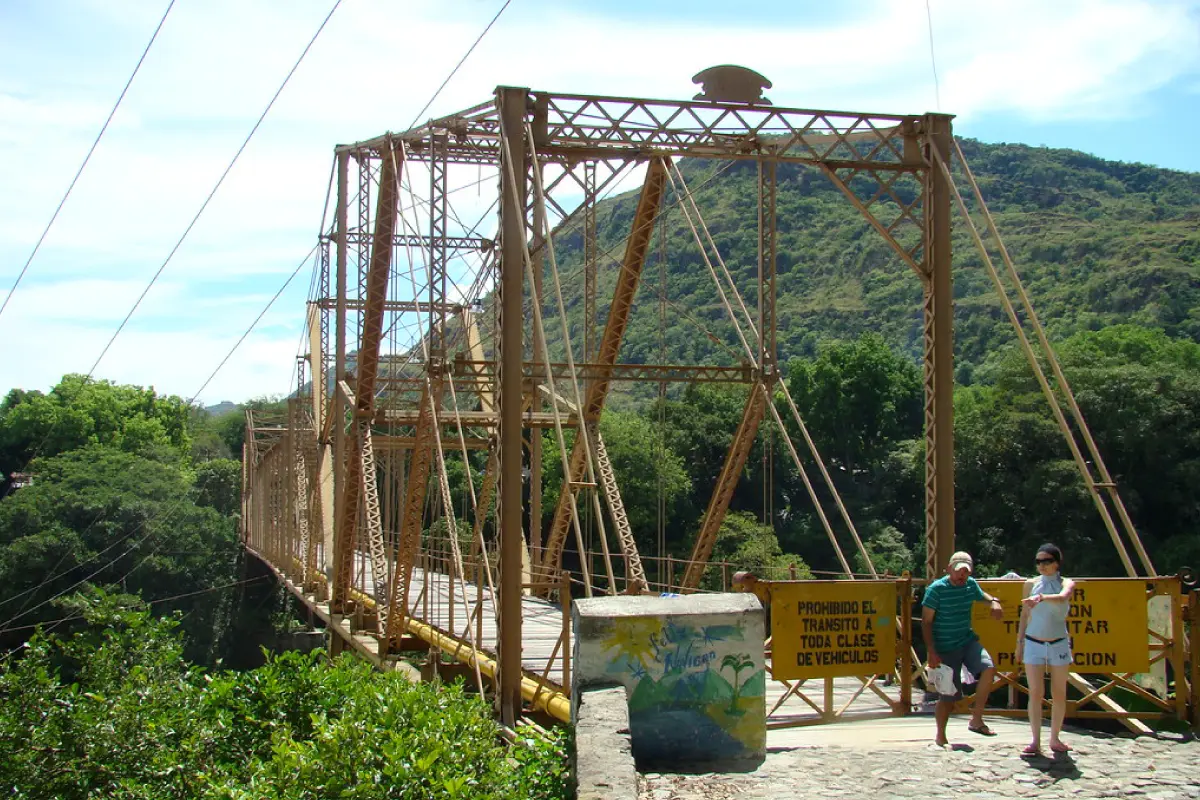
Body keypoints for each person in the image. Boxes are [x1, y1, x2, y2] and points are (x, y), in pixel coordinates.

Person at [922, 551, 1004, 746]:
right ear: (949, 569)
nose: (962, 576)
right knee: (948, 696)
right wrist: (932, 651)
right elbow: (926, 622)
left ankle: (976, 719)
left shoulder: (970, 584)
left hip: (967, 640)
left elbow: (982, 595)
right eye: (959, 571)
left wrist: (994, 602)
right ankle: (941, 735)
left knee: (989, 668)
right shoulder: (936, 589)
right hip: (945, 647)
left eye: (966, 572)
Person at [1016, 543, 1075, 755]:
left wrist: (1041, 598)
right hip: (1034, 642)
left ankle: (1055, 738)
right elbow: (1024, 615)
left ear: (1057, 563)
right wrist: (1019, 643)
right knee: (1035, 692)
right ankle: (1035, 740)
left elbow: (1062, 597)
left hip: (1058, 642)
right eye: (1038, 562)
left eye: (1047, 561)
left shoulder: (1065, 582)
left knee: (1059, 692)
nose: (1042, 566)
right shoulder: (1030, 584)